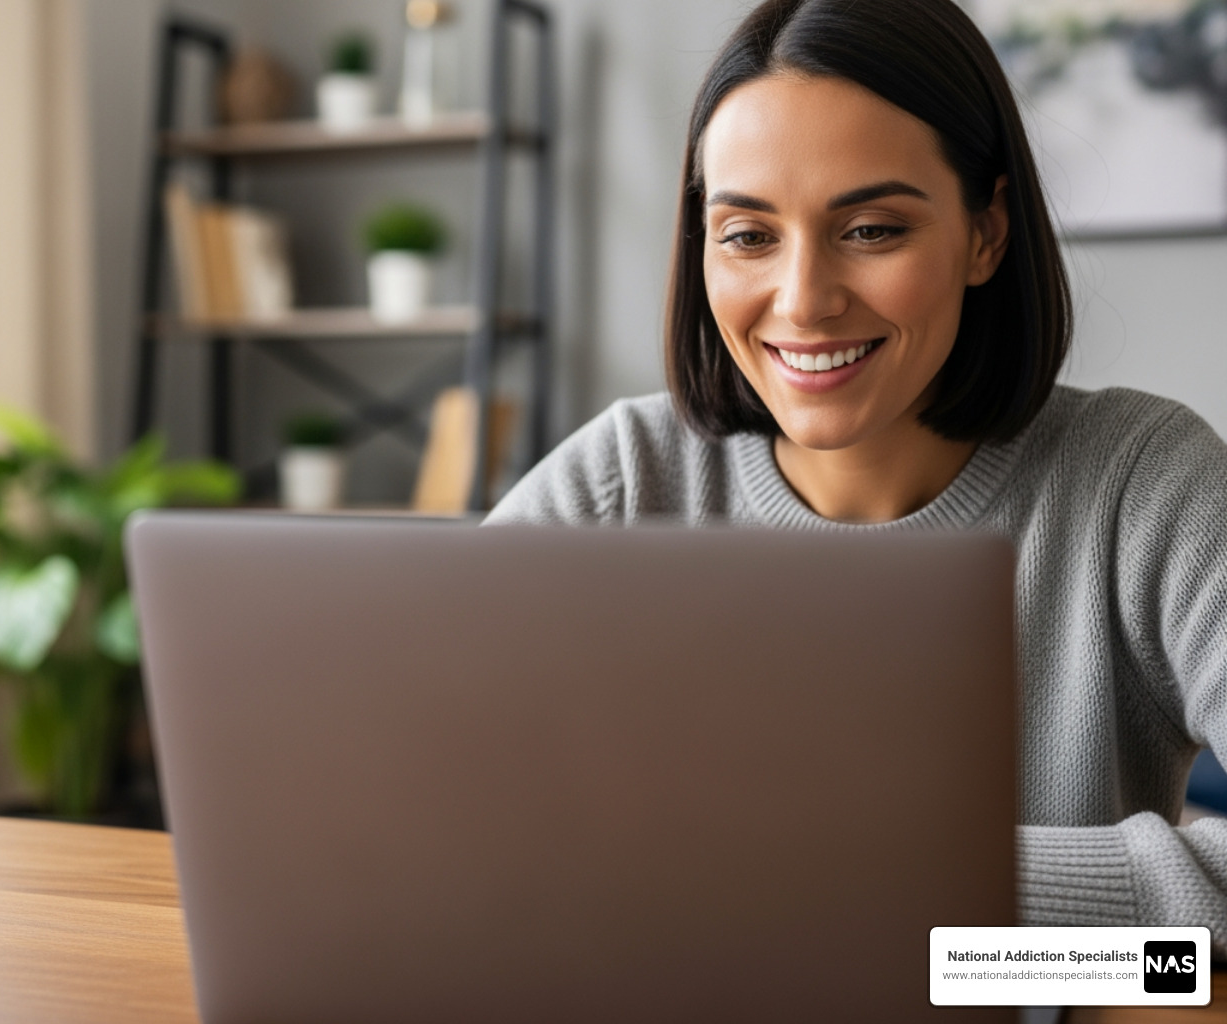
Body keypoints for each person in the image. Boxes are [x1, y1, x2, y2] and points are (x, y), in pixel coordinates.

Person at [487, 0, 1227, 949]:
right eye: (748, 235)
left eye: (872, 229)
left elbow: (1155, 973)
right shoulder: (624, 481)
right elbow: (410, 803)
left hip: (1019, 994)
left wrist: (920, 907)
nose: (804, 301)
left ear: (987, 232)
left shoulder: (1145, 484)